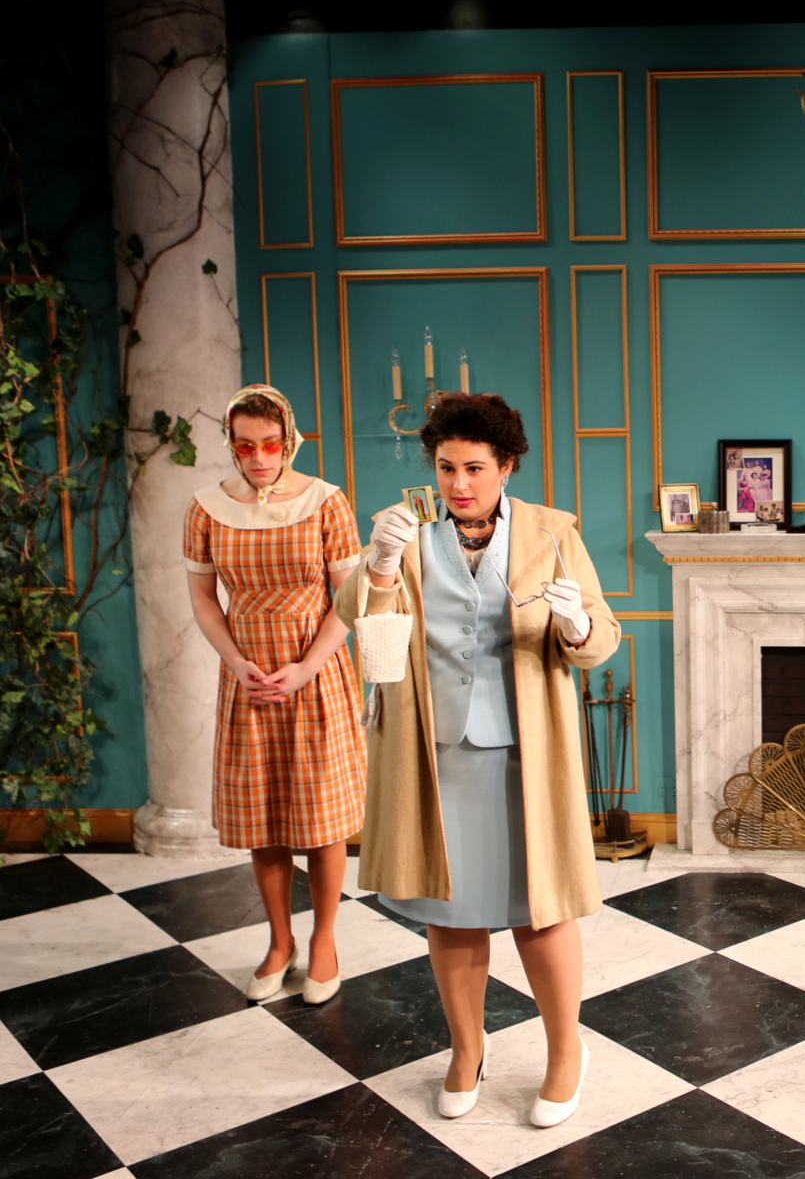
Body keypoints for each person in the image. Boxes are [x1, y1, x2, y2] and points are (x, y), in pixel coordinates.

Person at [335, 393, 620, 1127]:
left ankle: (566, 1052)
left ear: (506, 466)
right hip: (435, 756)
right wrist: (380, 563)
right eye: (446, 467)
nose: (458, 483)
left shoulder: (552, 533)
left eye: (474, 468)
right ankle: (467, 1050)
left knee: (540, 910)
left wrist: (576, 623)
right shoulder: (408, 534)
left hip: (525, 754)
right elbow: (358, 621)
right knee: (451, 913)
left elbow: (601, 639)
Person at [183, 385, 365, 1005]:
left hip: (316, 674)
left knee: (321, 818)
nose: (258, 458)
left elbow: (349, 598)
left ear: (289, 442)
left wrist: (307, 667)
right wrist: (237, 663)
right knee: (264, 820)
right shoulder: (206, 508)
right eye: (245, 447)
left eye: (269, 445)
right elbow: (203, 598)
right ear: (231, 445)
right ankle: (279, 941)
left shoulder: (325, 501)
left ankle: (324, 941)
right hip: (250, 682)